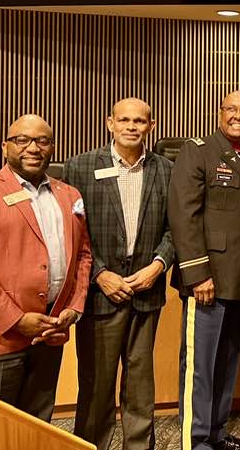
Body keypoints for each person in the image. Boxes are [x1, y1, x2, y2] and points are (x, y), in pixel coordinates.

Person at [0, 114, 92, 420]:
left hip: (49, 333)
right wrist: (15, 319)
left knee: (35, 430)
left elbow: (83, 256)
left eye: (42, 140)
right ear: (5, 147)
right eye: (22, 140)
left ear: (52, 147)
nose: (33, 148)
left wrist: (74, 308)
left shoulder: (70, 196)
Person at [64, 98, 174, 450]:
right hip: (100, 294)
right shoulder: (80, 167)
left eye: (139, 121)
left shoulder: (167, 169)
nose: (131, 126)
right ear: (110, 123)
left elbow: (177, 228)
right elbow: (72, 232)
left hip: (146, 290)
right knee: (96, 385)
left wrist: (158, 266)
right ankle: (91, 445)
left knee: (141, 385)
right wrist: (99, 274)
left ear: (151, 126)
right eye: (124, 120)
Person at [168, 91, 240, 450]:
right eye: (231, 109)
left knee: (227, 360)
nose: (238, 115)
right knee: (200, 365)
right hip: (207, 279)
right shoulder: (198, 150)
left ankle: (217, 434)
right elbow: (183, 214)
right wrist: (197, 274)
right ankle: (195, 442)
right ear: (219, 113)